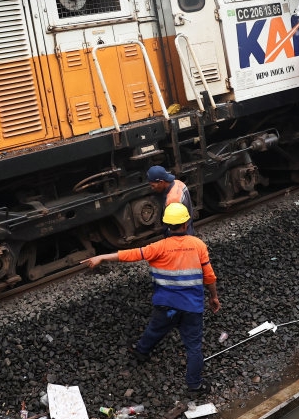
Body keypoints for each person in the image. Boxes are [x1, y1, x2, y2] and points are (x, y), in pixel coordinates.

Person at [82, 202, 220, 394]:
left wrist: (102, 257)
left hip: (166, 306)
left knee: (156, 328)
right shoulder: (198, 245)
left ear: (166, 225)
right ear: (186, 223)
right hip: (191, 307)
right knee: (194, 347)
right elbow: (209, 277)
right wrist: (214, 297)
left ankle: (141, 351)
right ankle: (194, 385)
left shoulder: (158, 247)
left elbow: (131, 254)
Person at [147, 165, 195, 235]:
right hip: (187, 226)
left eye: (153, 185)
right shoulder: (178, 183)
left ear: (161, 182)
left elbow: (175, 226)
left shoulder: (173, 200)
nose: (152, 188)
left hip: (181, 234)